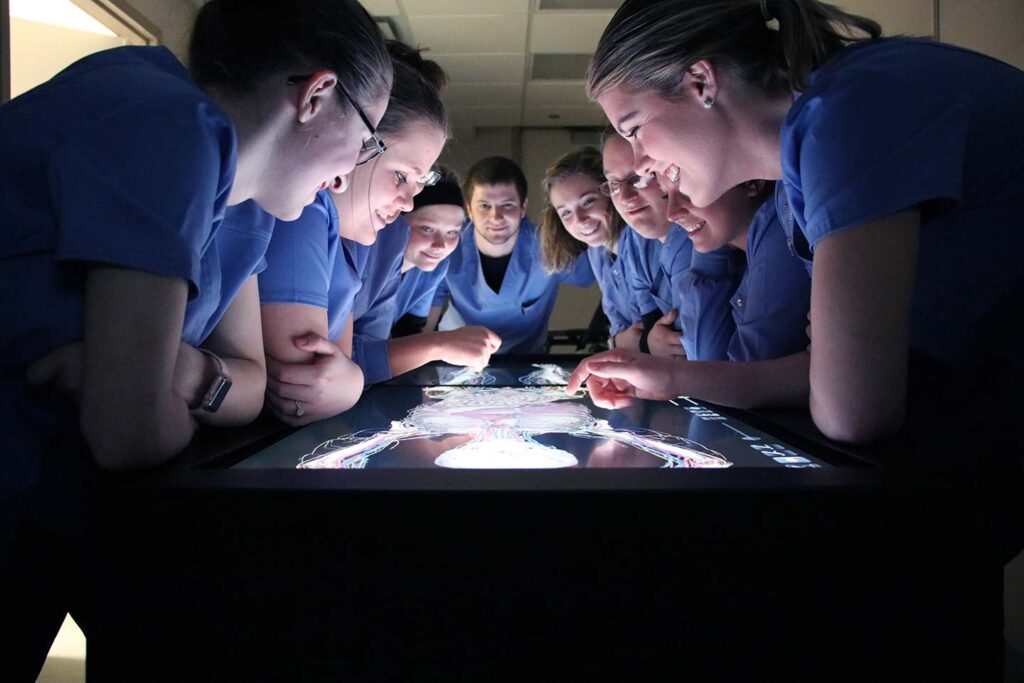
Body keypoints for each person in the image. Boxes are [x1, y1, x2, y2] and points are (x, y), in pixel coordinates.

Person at [0, 0, 391, 675]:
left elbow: (242, 383)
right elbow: (128, 431)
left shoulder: (238, 197)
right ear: (318, 93)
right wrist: (157, 388)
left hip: (52, 506)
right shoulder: (169, 123)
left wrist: (176, 371)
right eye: (369, 139)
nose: (353, 169)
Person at [575, 0, 1024, 448]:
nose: (643, 167)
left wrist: (834, 359)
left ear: (700, 81)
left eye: (634, 129)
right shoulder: (802, 167)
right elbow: (843, 375)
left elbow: (853, 412)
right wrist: (675, 376)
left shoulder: (846, 114)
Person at [258, 41, 449, 424]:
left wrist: (349, 381)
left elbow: (340, 367)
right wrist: (351, 381)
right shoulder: (306, 210)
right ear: (357, 141)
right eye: (400, 176)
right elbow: (301, 391)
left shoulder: (352, 241)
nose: (409, 203)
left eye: (420, 182)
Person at [431, 156, 595, 355]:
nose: (495, 216)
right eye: (484, 206)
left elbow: (601, 265)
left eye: (507, 205)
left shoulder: (548, 247)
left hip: (528, 362)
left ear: (523, 207)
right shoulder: (447, 248)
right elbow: (424, 327)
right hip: (464, 359)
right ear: (469, 210)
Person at [351, 168, 501, 385]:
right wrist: (441, 344)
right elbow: (351, 355)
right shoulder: (367, 263)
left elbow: (410, 333)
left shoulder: (433, 268)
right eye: (427, 229)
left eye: (452, 232)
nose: (441, 245)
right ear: (395, 219)